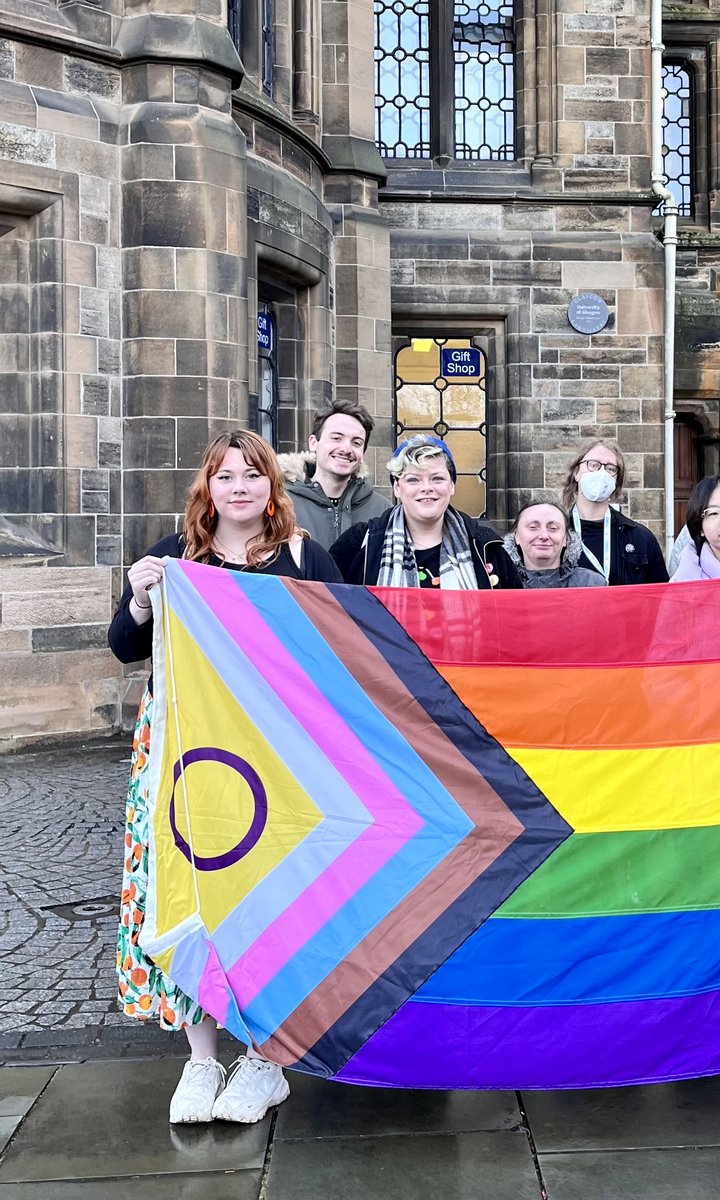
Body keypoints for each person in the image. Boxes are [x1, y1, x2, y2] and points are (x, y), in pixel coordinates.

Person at [107, 429, 342, 1125]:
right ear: (206, 489)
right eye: (225, 476)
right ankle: (202, 1057)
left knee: (275, 900)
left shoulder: (303, 558)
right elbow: (123, 645)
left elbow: (342, 649)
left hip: (280, 757)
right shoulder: (173, 558)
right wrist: (142, 600)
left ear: (273, 489)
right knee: (193, 892)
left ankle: (266, 1060)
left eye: (252, 475)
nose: (239, 487)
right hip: (185, 753)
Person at [330, 434, 521, 589]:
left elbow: (515, 617)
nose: (426, 487)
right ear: (397, 488)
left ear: (452, 486)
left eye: (437, 478)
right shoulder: (359, 543)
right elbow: (328, 612)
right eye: (413, 480)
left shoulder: (485, 545)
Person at [279, 399, 392, 547]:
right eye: (336, 438)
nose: (346, 449)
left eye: (356, 442)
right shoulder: (281, 502)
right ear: (313, 443)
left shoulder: (383, 510)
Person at [562, 439, 668, 585]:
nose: (601, 472)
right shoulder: (556, 533)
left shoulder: (640, 538)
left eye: (611, 468)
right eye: (593, 464)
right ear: (576, 473)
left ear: (617, 479)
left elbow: (661, 597)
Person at [502, 498, 607, 588]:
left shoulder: (591, 584)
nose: (544, 536)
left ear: (566, 538)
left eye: (553, 528)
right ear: (517, 536)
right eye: (533, 527)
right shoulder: (499, 585)